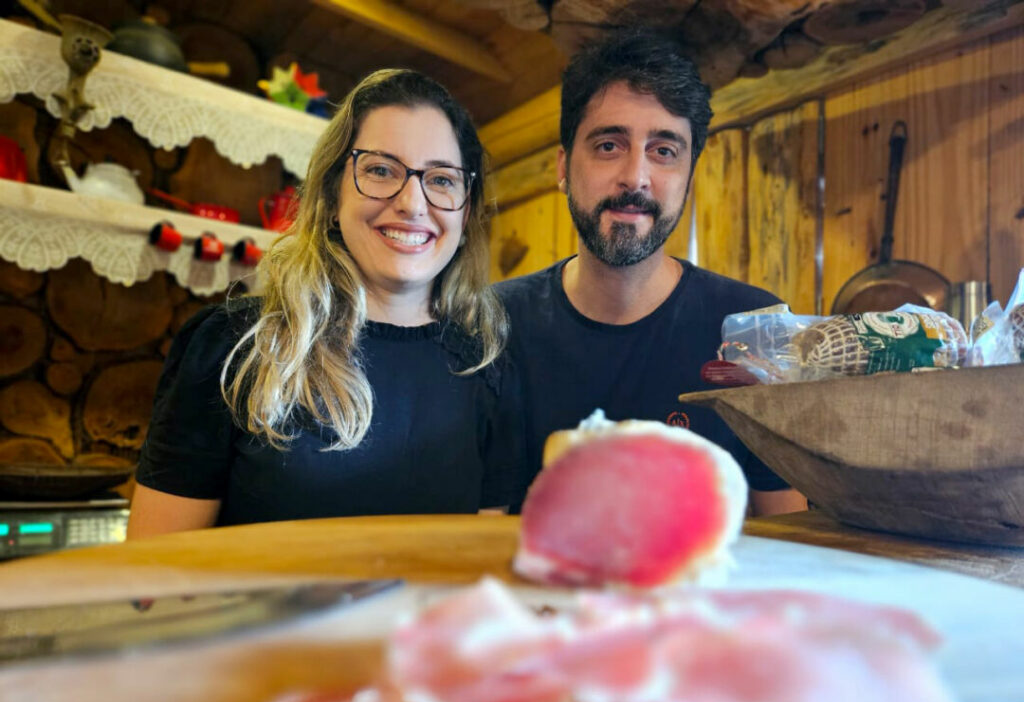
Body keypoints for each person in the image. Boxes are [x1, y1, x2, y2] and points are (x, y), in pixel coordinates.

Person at [128, 69, 520, 537]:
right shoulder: (232, 345)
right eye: (380, 170)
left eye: (441, 179)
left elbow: (479, 556)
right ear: (333, 194)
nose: (413, 203)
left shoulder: (487, 364)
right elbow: (155, 567)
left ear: (466, 210)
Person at [496, 28, 805, 517]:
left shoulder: (754, 325)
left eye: (664, 151)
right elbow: (480, 522)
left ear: (688, 178)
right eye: (608, 145)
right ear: (563, 167)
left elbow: (789, 524)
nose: (635, 177)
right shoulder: (495, 322)